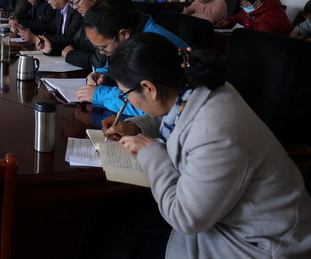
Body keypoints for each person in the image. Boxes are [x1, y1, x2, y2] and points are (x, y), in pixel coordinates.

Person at [98, 33, 311, 258]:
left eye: (125, 95)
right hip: (224, 216)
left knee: (119, 228)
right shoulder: (197, 87)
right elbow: (175, 114)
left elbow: (185, 218)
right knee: (113, 214)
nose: (126, 101)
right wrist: (135, 127)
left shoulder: (214, 133)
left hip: (257, 243)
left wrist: (150, 152)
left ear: (149, 88)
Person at [75, 2, 187, 116]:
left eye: (104, 47)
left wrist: (100, 95)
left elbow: (151, 104)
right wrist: (103, 73)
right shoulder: (134, 33)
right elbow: (126, 63)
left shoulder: (150, 46)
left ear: (124, 34)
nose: (102, 52)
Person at [38, 0, 135, 68]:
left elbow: (101, 61)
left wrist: (71, 55)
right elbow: (78, 41)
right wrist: (53, 48)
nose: (74, 7)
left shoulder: (113, 12)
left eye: (76, 1)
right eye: (72, 3)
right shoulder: (92, 10)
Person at [15, 0, 82, 45]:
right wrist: (23, 28)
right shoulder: (60, 10)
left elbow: (68, 38)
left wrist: (36, 39)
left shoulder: (77, 10)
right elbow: (48, 28)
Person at [215, 0, 291, 34]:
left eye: (246, 5)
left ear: (257, 2)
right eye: (242, 5)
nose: (244, 8)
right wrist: (228, 21)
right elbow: (238, 17)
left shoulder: (275, 13)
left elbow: (268, 33)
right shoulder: (251, 8)